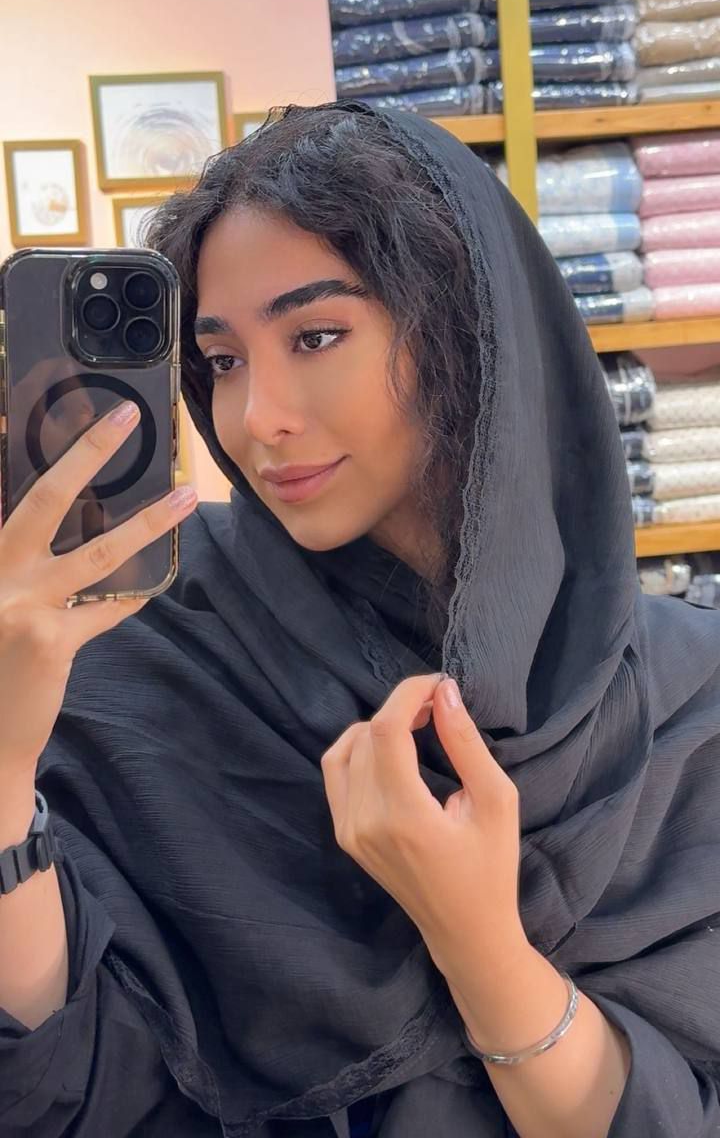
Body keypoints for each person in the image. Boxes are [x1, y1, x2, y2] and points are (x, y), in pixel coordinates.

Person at [0, 102, 718, 1138]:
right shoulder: (141, 643)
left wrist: (478, 941)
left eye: (317, 335)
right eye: (224, 360)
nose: (258, 418)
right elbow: (72, 1092)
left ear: (467, 333)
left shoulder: (691, 710)